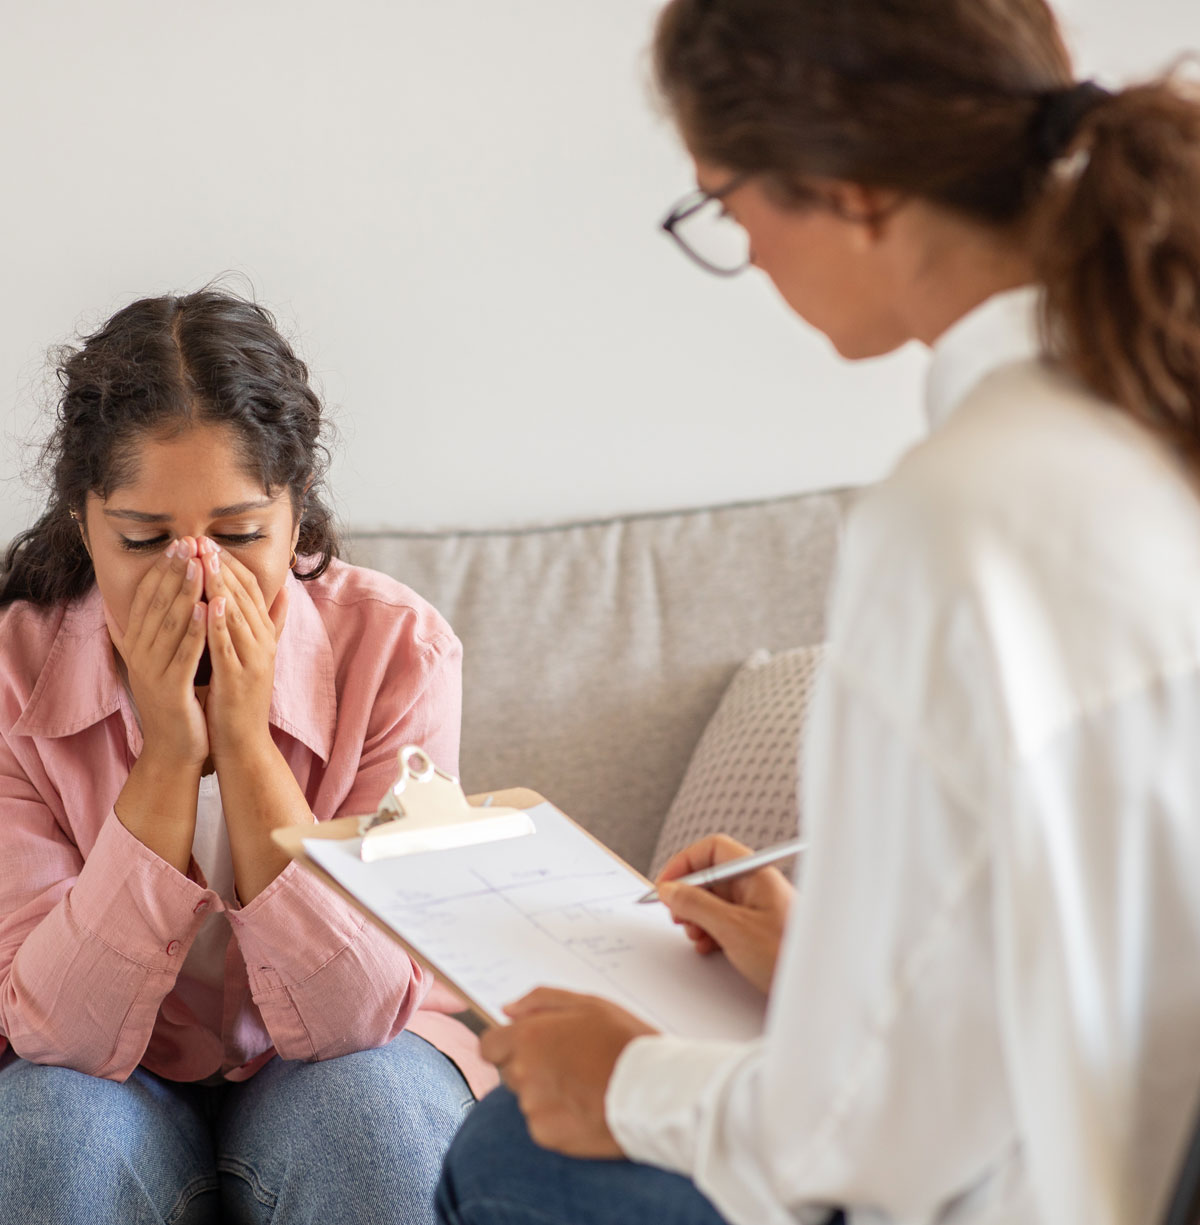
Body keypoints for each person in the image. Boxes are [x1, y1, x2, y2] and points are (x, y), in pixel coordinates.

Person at [435, 2, 1200, 1223]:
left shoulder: (960, 519)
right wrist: (830, 956)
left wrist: (624, 1082)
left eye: (725, 203)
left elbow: (871, 1138)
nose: (744, 246)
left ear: (850, 189)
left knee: (508, 1148)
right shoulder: (1152, 410)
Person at [0, 288, 494, 1224]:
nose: (198, 580)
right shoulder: (13, 673)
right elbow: (51, 1028)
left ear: (297, 512)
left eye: (239, 535)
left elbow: (360, 1011)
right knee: (45, 1131)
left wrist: (243, 739)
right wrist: (167, 760)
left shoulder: (398, 652)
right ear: (83, 521)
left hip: (342, 1066)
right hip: (110, 1075)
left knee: (375, 1118)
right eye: (144, 540)